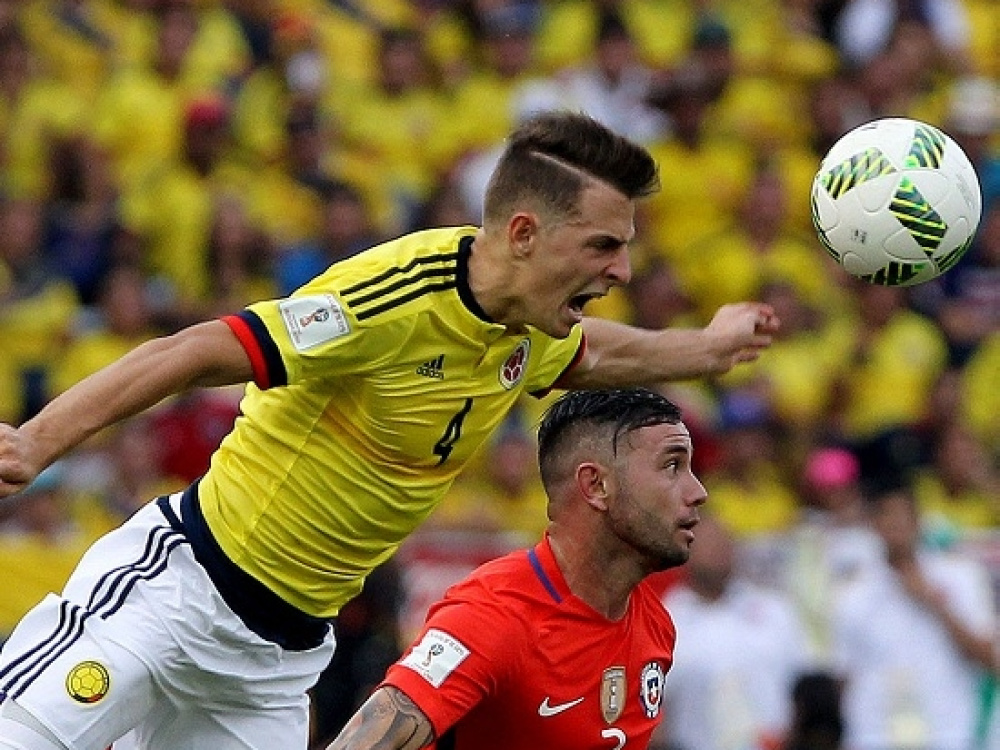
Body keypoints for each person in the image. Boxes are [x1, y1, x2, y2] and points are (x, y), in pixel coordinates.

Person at [0, 111, 777, 750]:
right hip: (178, 590)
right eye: (603, 245)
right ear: (524, 233)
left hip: (274, 666)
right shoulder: (392, 299)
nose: (622, 272)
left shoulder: (528, 324)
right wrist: (35, 442)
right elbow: (195, 349)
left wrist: (708, 349)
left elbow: (597, 354)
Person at [326, 387, 707, 750]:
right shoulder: (493, 615)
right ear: (596, 486)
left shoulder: (654, 625)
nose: (698, 492)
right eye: (672, 465)